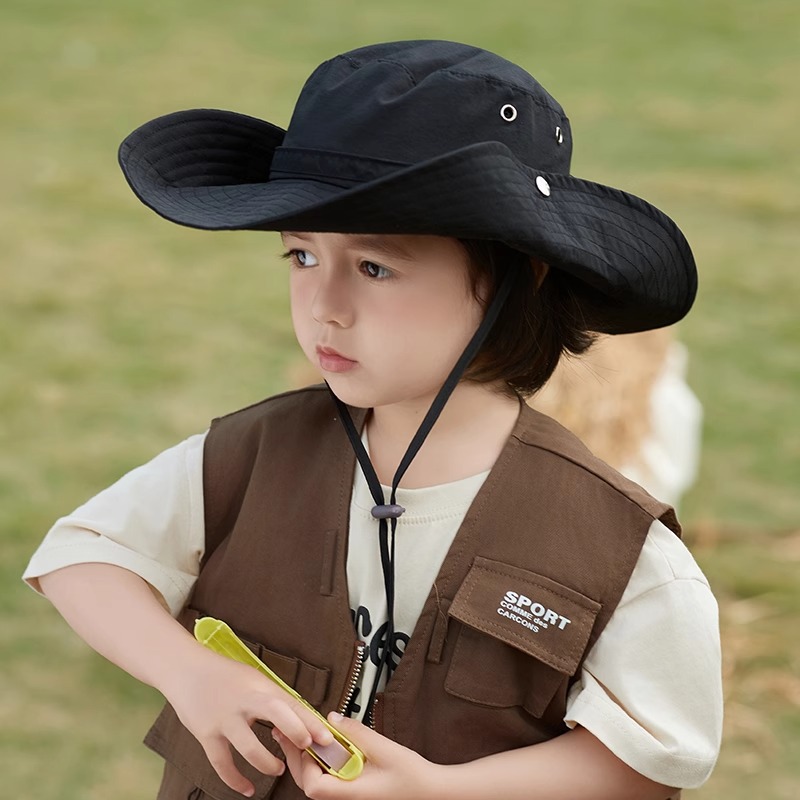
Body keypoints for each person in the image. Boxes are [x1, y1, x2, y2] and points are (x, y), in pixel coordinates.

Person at [23, 40, 722, 800]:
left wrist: (440, 792)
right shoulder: (253, 455)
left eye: (375, 267)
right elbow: (79, 559)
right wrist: (188, 672)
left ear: (520, 276)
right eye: (301, 258)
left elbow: (651, 760)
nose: (324, 306)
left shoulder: (614, 544)